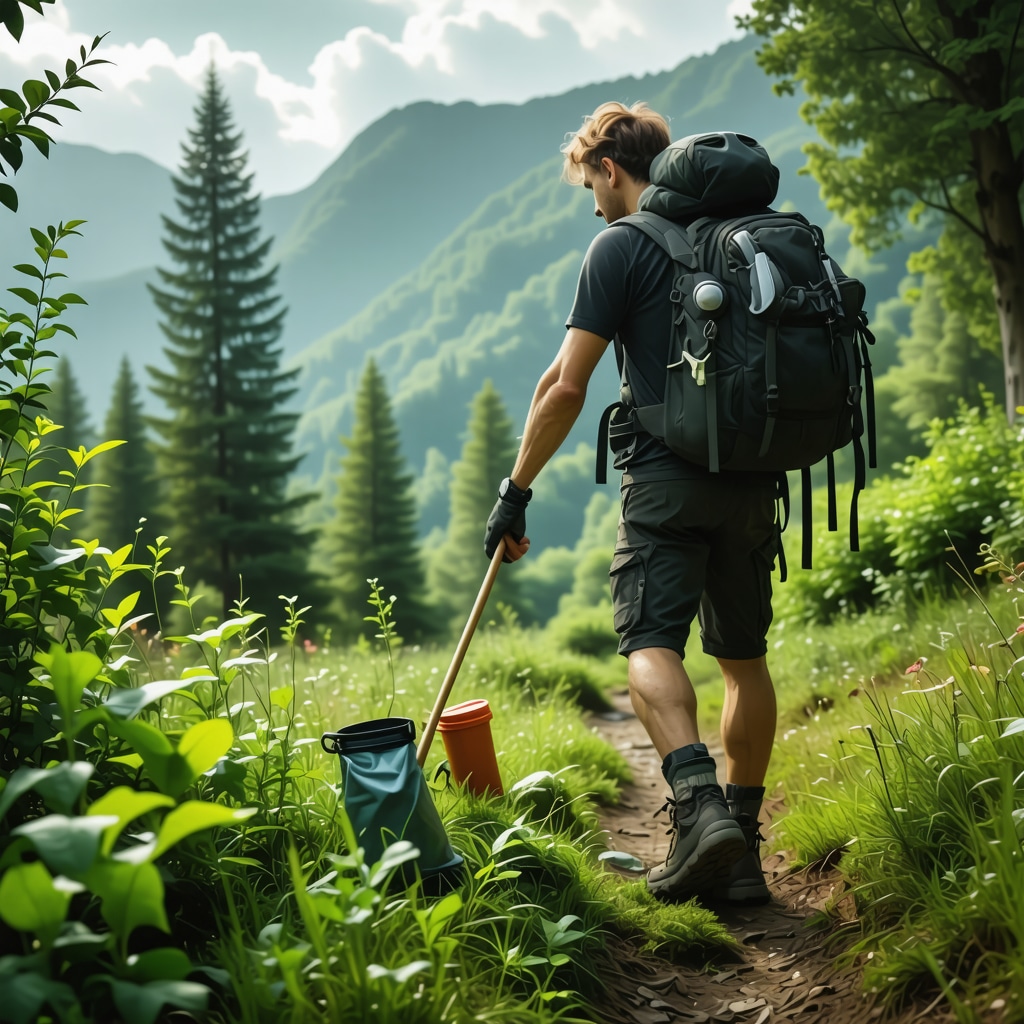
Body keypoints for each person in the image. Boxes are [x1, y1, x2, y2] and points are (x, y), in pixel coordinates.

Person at [482, 101, 781, 905]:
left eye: (590, 184)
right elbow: (558, 373)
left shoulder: (620, 245)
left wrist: (515, 491)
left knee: (650, 641)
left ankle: (698, 810)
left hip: (666, 482)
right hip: (757, 481)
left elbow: (567, 387)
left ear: (610, 168)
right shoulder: (743, 239)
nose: (591, 201)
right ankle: (742, 847)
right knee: (744, 661)